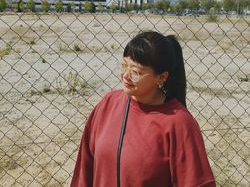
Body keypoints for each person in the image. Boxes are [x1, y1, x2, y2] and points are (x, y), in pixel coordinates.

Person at [71, 31, 216, 187]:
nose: (125, 76)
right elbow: (85, 169)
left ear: (161, 77)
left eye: (136, 72)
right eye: (124, 65)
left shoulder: (179, 123)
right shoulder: (108, 104)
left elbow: (195, 182)